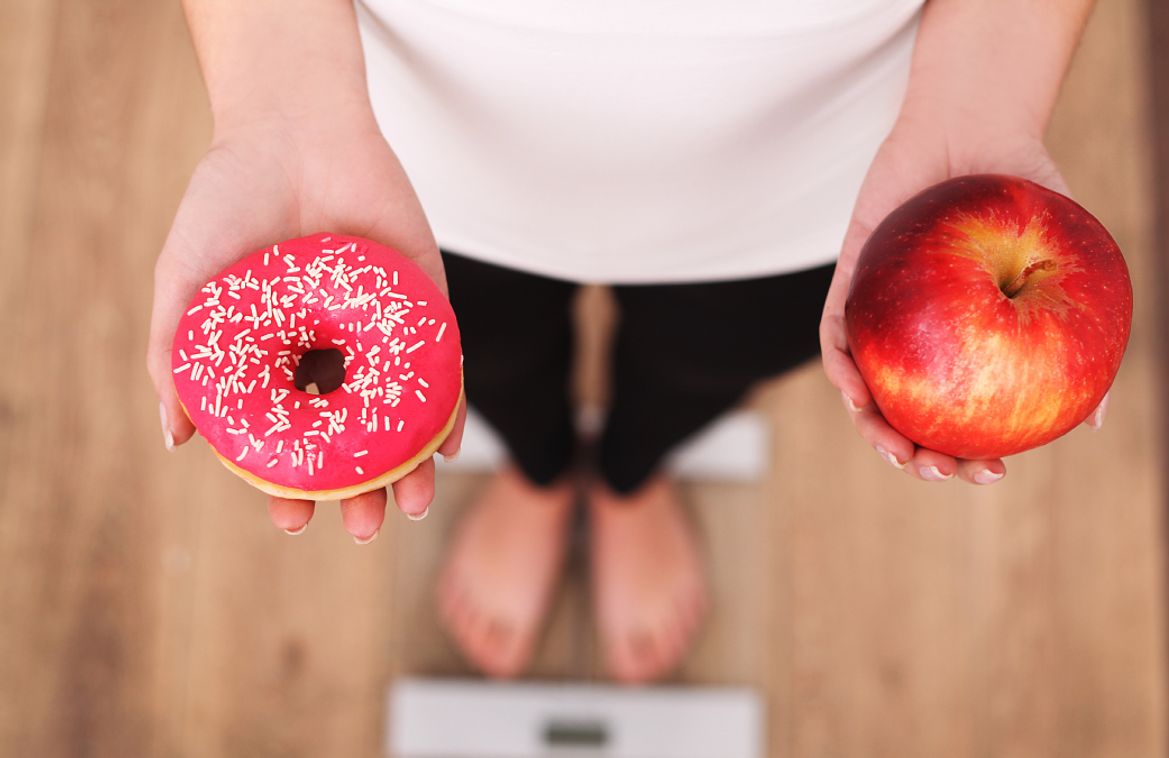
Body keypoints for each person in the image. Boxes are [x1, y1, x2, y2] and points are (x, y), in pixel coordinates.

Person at [147, 0, 1109, 683]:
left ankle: (629, 474)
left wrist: (982, 101)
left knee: (707, 360)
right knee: (489, 358)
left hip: (836, 170)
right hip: (390, 153)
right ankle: (537, 468)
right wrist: (277, 103)